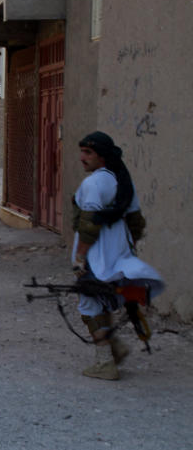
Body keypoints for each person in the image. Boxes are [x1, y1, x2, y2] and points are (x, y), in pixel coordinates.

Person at [71, 131, 164, 380]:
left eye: (88, 153)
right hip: (119, 251)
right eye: (82, 151)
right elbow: (136, 222)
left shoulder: (92, 184)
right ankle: (115, 349)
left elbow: (89, 226)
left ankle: (105, 364)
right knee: (105, 298)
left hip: (97, 254)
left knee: (89, 303)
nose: (82, 157)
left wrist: (80, 258)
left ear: (102, 156)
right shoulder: (121, 181)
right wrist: (127, 248)